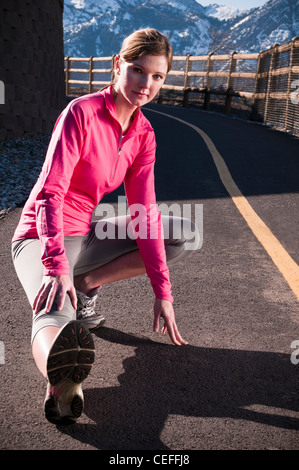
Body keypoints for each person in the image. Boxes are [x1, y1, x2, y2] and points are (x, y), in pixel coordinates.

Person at [11, 28, 199, 425]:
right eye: (137, 71)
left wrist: (161, 290)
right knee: (52, 311)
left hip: (89, 234)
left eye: (157, 76)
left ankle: (87, 284)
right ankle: (61, 380)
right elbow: (49, 193)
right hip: (40, 236)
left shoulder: (144, 134)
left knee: (178, 233)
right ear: (118, 66)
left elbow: (143, 212)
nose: (145, 85)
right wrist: (56, 266)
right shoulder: (80, 113)